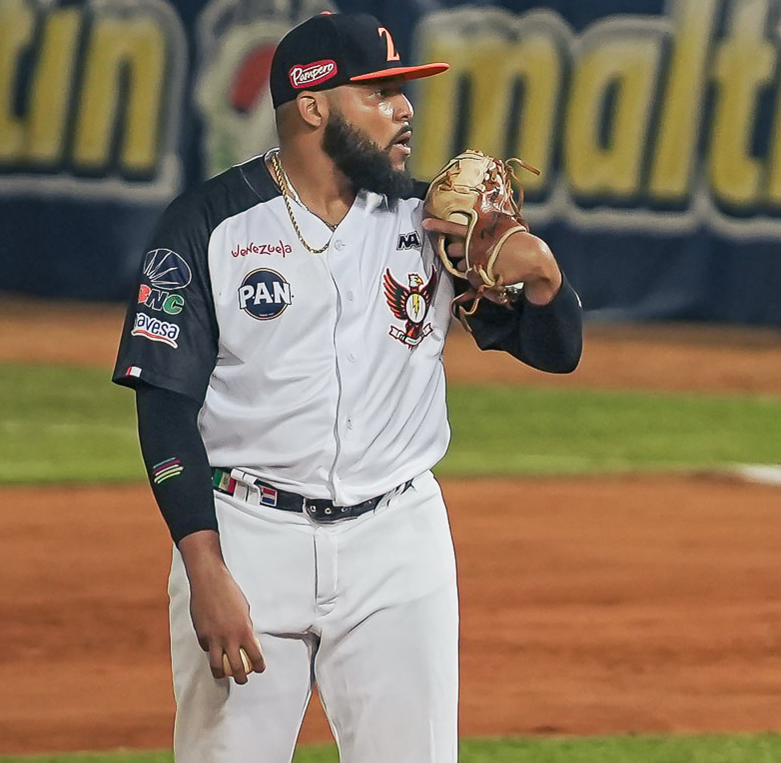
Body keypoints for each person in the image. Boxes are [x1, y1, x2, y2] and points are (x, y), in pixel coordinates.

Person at [111, 12, 582, 763]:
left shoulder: (435, 224)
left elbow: (555, 353)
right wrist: (204, 568)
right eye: (382, 92)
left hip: (398, 543)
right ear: (313, 104)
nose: (406, 109)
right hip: (248, 539)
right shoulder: (207, 225)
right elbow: (164, 406)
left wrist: (548, 280)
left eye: (405, 92)